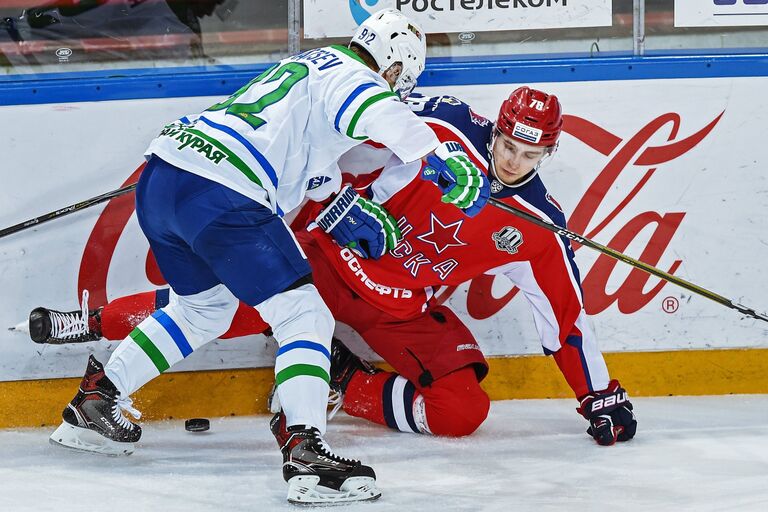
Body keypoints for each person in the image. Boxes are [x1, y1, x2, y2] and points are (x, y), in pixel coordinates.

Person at [44, 8, 490, 505]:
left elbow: (312, 168)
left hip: (164, 177)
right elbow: (373, 108)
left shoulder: (308, 66)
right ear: (390, 68)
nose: (397, 90)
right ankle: (306, 453)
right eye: (399, 82)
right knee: (305, 312)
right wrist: (439, 155)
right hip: (223, 190)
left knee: (203, 311)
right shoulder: (354, 77)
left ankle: (96, 401)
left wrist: (343, 208)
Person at [33, 86, 636, 450]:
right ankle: (93, 322)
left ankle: (347, 383)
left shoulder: (538, 224)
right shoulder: (442, 126)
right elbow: (345, 132)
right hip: (323, 265)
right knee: (208, 309)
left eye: (529, 155)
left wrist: (598, 397)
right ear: (497, 128)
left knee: (463, 411)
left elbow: (565, 321)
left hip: (401, 312)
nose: (512, 161)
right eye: (508, 145)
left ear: (549, 152)